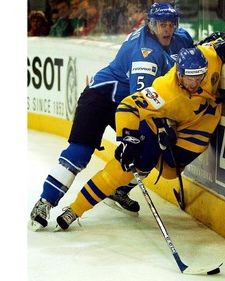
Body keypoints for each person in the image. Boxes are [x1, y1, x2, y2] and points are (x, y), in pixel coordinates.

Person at [29, 2, 195, 231]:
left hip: (129, 101)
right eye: (161, 24)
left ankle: (119, 191)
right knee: (80, 152)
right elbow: (141, 101)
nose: (167, 30)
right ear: (150, 24)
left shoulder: (182, 37)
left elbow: (197, 57)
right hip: (101, 97)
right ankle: (45, 202)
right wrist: (134, 135)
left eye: (170, 24)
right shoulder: (145, 54)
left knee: (149, 150)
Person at [54, 45, 224, 230]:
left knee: (171, 170)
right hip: (154, 124)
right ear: (179, 73)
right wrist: (129, 138)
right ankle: (75, 209)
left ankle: (128, 183)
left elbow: (211, 48)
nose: (195, 83)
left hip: (193, 125)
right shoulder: (165, 91)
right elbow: (128, 106)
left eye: (200, 76)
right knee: (125, 167)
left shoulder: (209, 60)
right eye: (190, 77)